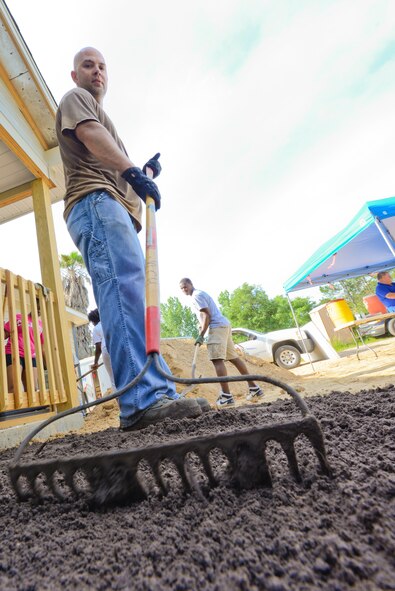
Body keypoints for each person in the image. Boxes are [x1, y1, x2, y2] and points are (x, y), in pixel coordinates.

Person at [56, 47, 208, 430]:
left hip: (111, 208)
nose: (97, 71)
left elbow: (111, 160)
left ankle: (156, 392)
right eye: (88, 65)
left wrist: (143, 170)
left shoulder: (105, 120)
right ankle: (141, 399)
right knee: (123, 293)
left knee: (135, 298)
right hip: (95, 203)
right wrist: (133, 174)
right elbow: (90, 137)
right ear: (75, 75)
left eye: (102, 66)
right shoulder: (77, 101)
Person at [179, 278, 263, 408]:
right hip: (224, 325)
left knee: (217, 360)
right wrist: (201, 328)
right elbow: (203, 316)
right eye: (182, 288)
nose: (184, 289)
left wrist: (201, 335)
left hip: (216, 327)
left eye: (185, 286)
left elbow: (207, 315)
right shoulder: (200, 294)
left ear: (191, 284)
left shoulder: (196, 295)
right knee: (234, 358)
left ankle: (226, 396)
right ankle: (254, 388)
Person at [4, 311, 44, 393]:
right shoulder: (18, 317)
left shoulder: (40, 324)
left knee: (33, 390)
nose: (40, 310)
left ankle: (31, 406)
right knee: (13, 387)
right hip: (14, 353)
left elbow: (41, 346)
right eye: (38, 306)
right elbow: (4, 335)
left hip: (31, 357)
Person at [88, 308, 116, 394]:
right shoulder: (108, 323)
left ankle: (121, 401)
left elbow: (98, 348)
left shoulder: (96, 329)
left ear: (93, 321)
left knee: (113, 379)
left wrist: (95, 362)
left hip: (106, 350)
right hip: (116, 348)